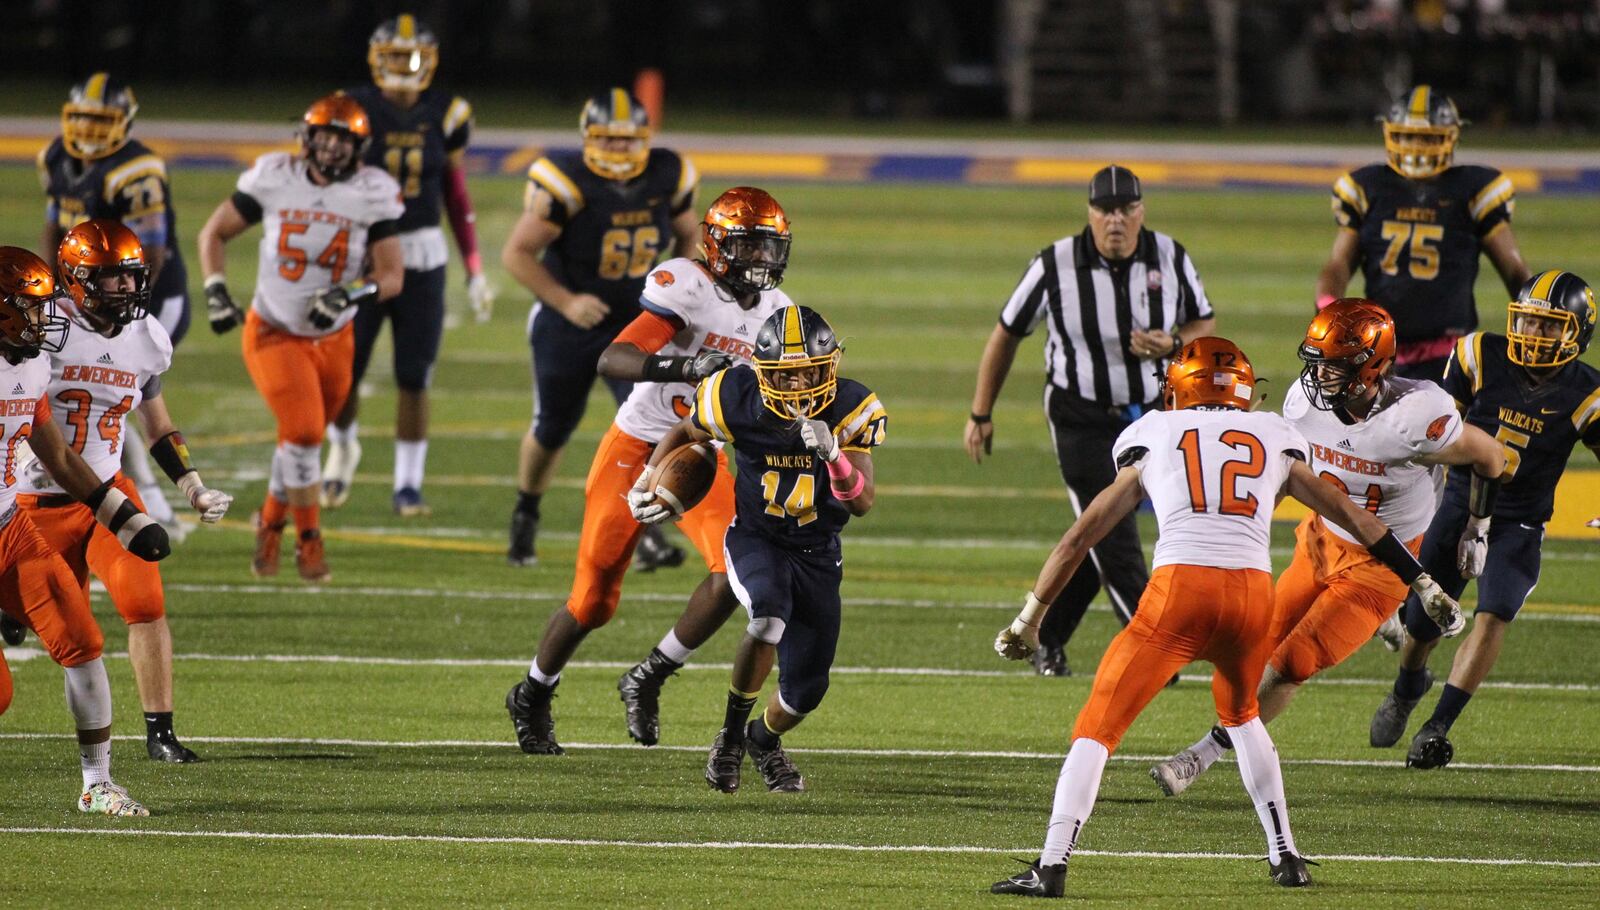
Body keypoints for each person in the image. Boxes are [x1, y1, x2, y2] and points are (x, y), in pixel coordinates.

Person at [987, 336, 1463, 896]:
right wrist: (1422, 579)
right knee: (1242, 716)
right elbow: (1355, 517)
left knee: (1097, 727)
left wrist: (1028, 620)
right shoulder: (1272, 433)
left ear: (1178, 389)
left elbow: (1078, 538)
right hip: (1250, 597)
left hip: (1179, 592)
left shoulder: (1154, 432)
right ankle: (1286, 856)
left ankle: (1051, 866)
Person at [1146, 300, 1503, 798]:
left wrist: (1476, 527)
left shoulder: (1414, 417)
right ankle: (1384, 629)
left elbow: (1493, 456)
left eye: (1334, 364)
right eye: (1316, 361)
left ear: (1373, 366)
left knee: (1291, 665)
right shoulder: (1303, 402)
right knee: (1253, 647)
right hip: (1319, 542)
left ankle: (1202, 755)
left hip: (1380, 569)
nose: (1320, 375)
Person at [505, 187, 794, 754]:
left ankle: (650, 674)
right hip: (637, 446)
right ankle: (534, 691)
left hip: (700, 454)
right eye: (749, 246)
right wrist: (686, 364)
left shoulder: (777, 314)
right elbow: (613, 357)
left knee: (730, 574)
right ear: (717, 246)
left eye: (769, 247)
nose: (761, 259)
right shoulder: (687, 283)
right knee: (593, 600)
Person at [966, 165, 1216, 677]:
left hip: (1151, 414)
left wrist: (1173, 344)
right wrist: (980, 411)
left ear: (1142, 211)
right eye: (1106, 210)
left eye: (1126, 209)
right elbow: (1007, 333)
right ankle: (1157, 654)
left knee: (1098, 528)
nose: (1116, 220)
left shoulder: (1171, 256)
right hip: (1079, 414)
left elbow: (1203, 322)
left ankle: (1048, 636)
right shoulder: (1054, 264)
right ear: (1090, 213)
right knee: (1115, 532)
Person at [5, 221, 233, 764]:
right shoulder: (38, 325)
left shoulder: (146, 338)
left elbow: (157, 425)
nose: (128, 290)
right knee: (63, 634)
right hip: (33, 503)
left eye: (131, 279)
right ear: (79, 280)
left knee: (144, 601)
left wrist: (191, 485)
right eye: (113, 281)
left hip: (104, 489)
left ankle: (159, 733)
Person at [636, 305, 885, 793]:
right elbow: (688, 432)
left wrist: (834, 456)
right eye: (786, 377)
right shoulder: (735, 397)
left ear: (828, 365)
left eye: (809, 372)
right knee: (767, 615)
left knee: (805, 693)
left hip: (817, 550)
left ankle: (762, 741)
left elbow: (862, 503)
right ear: (764, 374)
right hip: (757, 536)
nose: (799, 387)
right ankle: (728, 739)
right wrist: (650, 477)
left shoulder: (852, 407)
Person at [1370, 270, 1600, 769]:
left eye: (1549, 327)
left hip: (1520, 519)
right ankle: (1408, 687)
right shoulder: (1479, 354)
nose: (1534, 336)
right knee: (1422, 623)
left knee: (1495, 613)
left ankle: (1438, 726)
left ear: (1577, 334)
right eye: (1529, 323)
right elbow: (1438, 430)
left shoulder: (1586, 392)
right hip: (1459, 504)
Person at [197, 94, 404, 582]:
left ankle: (269, 525)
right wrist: (216, 291)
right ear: (307, 138)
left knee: (298, 438)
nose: (331, 148)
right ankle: (308, 540)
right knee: (308, 433)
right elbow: (213, 234)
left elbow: (392, 275)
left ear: (359, 146)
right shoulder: (274, 177)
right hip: (273, 330)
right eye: (324, 136)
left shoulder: (372, 191)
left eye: (342, 139)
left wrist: (351, 291)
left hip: (334, 338)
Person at [0, 244, 170, 816]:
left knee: (84, 642)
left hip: (7, 527)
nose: (46, 318)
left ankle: (96, 784)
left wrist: (120, 513)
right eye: (30, 306)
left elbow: (61, 458)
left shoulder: (31, 365)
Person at [500, 88, 700, 569]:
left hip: (634, 320)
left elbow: (689, 232)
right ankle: (526, 511)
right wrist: (566, 301)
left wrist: (686, 285)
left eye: (627, 140)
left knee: (652, 424)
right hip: (568, 322)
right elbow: (517, 253)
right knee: (552, 428)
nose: (618, 150)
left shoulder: (665, 173)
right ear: (589, 139)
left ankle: (646, 528)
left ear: (645, 139)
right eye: (607, 140)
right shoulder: (567, 180)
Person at [322, 13, 493, 516]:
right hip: (363, 252)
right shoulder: (351, 107)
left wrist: (475, 265)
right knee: (346, 370)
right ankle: (342, 450)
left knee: (414, 374)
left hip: (421, 252)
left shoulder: (448, 112)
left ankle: (407, 484)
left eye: (412, 57)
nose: (404, 67)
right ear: (376, 60)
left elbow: (454, 192)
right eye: (395, 58)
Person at [38, 72, 189, 530]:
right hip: (86, 298)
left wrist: (121, 317)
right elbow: (54, 225)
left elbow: (153, 252)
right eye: (83, 119)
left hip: (143, 299)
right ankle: (136, 500)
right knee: (92, 397)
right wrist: (54, 291)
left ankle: (149, 502)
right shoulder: (55, 156)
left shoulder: (137, 170)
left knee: (117, 395)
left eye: (101, 121)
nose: (89, 131)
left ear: (126, 122)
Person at [1316, 85, 1531, 382]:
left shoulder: (1473, 190)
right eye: (1408, 136)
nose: (1416, 145)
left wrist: (1533, 322)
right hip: (1380, 351)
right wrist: (1328, 307)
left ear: (1451, 137)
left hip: (1451, 354)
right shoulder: (1368, 187)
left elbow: (1515, 271)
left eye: (1427, 137)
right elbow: (1339, 263)